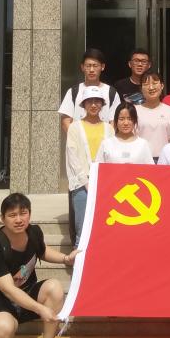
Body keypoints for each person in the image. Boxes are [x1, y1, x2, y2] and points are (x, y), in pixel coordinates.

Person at [0, 193, 77, 338]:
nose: (19, 220)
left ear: (29, 214)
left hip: (27, 291)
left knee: (54, 287)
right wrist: (41, 309)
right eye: (12, 215)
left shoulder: (33, 232)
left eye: (23, 213)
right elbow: (8, 290)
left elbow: (42, 251)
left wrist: (66, 259)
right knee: (2, 330)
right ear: (2, 218)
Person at [64, 86, 110, 246]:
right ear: (83, 104)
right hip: (81, 185)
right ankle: (79, 260)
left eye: (97, 101)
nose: (94, 105)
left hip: (104, 184)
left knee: (102, 227)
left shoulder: (109, 128)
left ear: (102, 104)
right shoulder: (75, 127)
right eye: (89, 101)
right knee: (82, 230)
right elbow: (73, 157)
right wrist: (86, 183)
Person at [58, 48, 121, 135]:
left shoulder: (111, 92)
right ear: (82, 67)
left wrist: (106, 140)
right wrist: (77, 138)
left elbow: (114, 121)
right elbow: (66, 121)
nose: (91, 70)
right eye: (88, 66)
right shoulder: (73, 91)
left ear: (102, 67)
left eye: (95, 66)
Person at [134, 71, 170, 162]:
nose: (151, 87)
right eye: (146, 84)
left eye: (154, 83)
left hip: (164, 160)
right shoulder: (134, 111)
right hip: (140, 160)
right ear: (141, 88)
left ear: (162, 86)